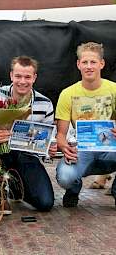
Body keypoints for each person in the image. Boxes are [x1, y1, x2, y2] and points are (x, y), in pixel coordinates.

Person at [0, 56, 57, 213]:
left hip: (27, 156)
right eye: (18, 76)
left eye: (27, 77)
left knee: (45, 203)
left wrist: (49, 149)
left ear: (34, 78)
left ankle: (14, 186)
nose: (22, 81)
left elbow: (47, 140)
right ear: (11, 75)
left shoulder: (45, 103)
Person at [56, 42, 116, 207]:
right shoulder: (67, 94)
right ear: (78, 65)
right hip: (82, 150)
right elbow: (61, 135)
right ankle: (73, 188)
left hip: (109, 149)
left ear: (101, 64)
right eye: (85, 62)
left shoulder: (114, 89)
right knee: (65, 176)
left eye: (93, 62)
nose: (89, 67)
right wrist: (63, 146)